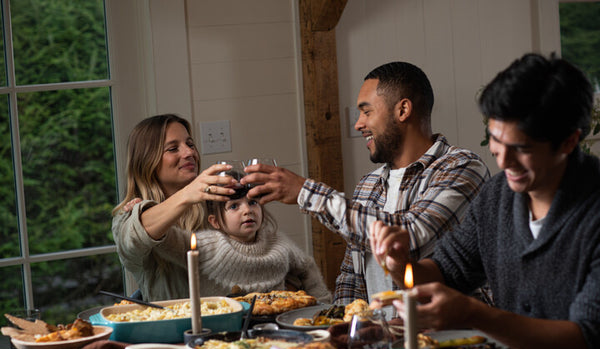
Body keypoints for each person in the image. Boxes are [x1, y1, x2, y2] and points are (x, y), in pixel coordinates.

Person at [370, 53, 600, 349]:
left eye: (521, 148)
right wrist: (399, 265)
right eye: (495, 139)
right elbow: (443, 274)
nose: (502, 161)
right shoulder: (497, 197)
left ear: (569, 142)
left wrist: (473, 314)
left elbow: (588, 344)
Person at [241, 61, 490, 304]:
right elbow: (353, 275)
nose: (358, 123)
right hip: (382, 341)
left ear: (403, 110)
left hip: (452, 337)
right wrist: (343, 328)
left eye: (367, 111)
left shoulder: (461, 167)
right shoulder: (368, 184)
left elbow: (411, 234)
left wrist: (305, 192)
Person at [112, 114, 236, 301]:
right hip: (170, 328)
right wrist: (188, 194)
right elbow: (135, 236)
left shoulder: (215, 206)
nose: (189, 153)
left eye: (190, 144)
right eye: (173, 148)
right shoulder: (129, 214)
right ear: (147, 161)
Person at [195, 193, 332, 302]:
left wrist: (321, 303)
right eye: (234, 206)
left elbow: (307, 267)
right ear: (215, 221)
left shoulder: (277, 241)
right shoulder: (211, 245)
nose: (247, 210)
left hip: (276, 317)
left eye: (253, 202)